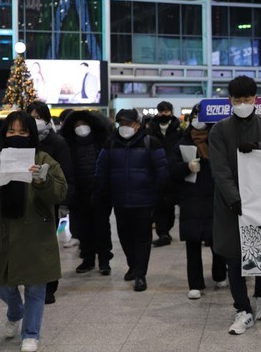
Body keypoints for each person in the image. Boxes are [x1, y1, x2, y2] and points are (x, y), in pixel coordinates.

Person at [0, 111, 68, 352]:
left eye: (23, 132)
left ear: (31, 135)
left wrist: (41, 181)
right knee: (3, 286)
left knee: (36, 286)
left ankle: (31, 333)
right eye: (11, 132)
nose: (16, 136)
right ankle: (15, 311)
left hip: (35, 233)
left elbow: (60, 193)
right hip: (2, 232)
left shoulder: (44, 158)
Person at [209, 75, 261, 335]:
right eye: (238, 100)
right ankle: (242, 309)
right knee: (234, 259)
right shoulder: (219, 130)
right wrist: (235, 199)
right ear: (230, 101)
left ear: (256, 99)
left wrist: (259, 147)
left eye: (248, 99)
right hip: (231, 205)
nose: (243, 103)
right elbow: (220, 170)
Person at [96, 108, 169, 292]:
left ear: (138, 124)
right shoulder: (110, 144)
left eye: (129, 123)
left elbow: (162, 171)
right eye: (122, 123)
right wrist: (100, 193)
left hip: (144, 200)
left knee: (143, 238)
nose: (125, 127)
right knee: (125, 237)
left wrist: (160, 196)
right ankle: (133, 266)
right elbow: (101, 171)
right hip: (120, 201)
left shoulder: (150, 142)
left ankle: (140, 275)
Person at [168, 103, 227, 299]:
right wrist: (186, 167)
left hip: (214, 198)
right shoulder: (181, 143)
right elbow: (171, 170)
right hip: (191, 200)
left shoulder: (217, 141)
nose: (198, 120)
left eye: (201, 116)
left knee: (217, 241)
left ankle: (220, 275)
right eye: (195, 116)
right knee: (192, 244)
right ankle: (195, 284)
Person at [28, 101, 75, 304]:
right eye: (31, 117)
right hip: (27, 202)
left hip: (49, 202)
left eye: (39, 117)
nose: (35, 121)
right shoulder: (23, 142)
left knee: (46, 245)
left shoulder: (57, 143)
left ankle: (49, 286)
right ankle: (32, 282)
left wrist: (63, 202)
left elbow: (66, 174)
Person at [60, 109, 113, 275]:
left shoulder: (102, 142)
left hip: (99, 192)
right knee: (83, 229)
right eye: (77, 125)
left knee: (102, 228)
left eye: (84, 124)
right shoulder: (68, 145)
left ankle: (104, 260)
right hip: (79, 193)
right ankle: (87, 259)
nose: (81, 127)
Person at [149, 100, 183, 247]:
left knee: (170, 204)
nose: (164, 114)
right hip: (156, 172)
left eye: (167, 111)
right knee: (158, 204)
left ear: (171, 112)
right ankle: (163, 233)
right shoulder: (151, 129)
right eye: (161, 111)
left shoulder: (178, 130)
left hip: (173, 171)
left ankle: (167, 229)